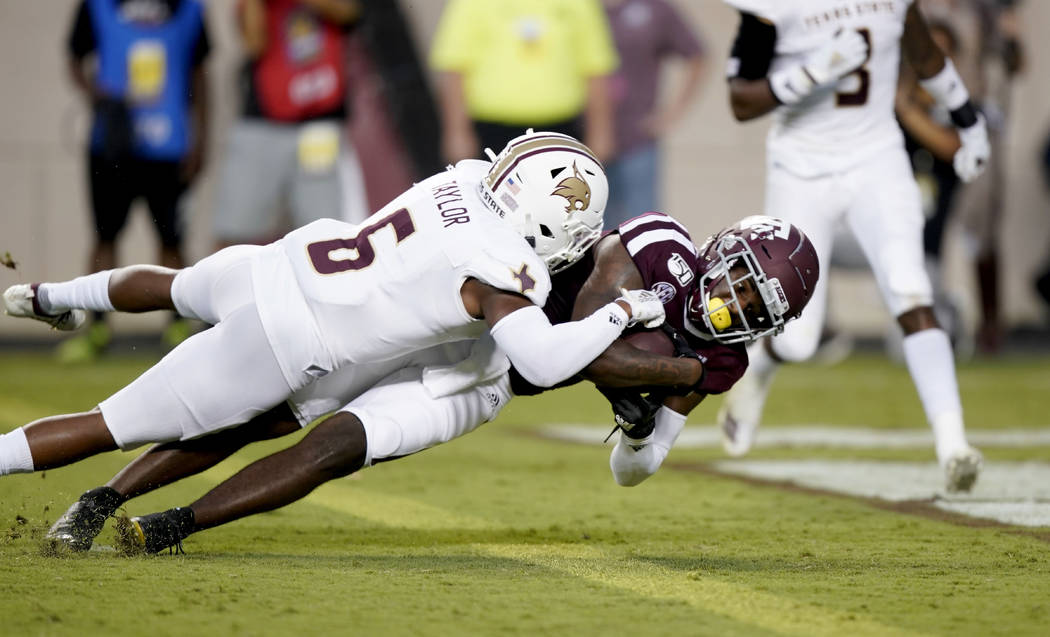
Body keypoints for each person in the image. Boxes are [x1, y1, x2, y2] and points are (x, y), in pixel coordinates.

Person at [39, 214, 820, 554]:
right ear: (723, 250)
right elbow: (579, 324)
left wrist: (646, 424)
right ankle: (101, 496)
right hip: (470, 319)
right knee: (262, 409)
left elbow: (633, 467)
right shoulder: (662, 247)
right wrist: (662, 372)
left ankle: (175, 525)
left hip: (485, 380)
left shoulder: (724, 362)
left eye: (757, 305)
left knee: (340, 446)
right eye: (742, 281)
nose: (736, 303)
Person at [0, 131, 671, 487]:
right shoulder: (507, 271)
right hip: (289, 337)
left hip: (282, 260)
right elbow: (543, 359)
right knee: (107, 424)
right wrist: (623, 311)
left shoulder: (466, 175)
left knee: (176, 284)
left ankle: (51, 297)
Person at [717, 0, 990, 493]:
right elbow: (740, 103)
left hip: (877, 160)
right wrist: (813, 72)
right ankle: (758, 369)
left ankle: (954, 445)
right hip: (800, 167)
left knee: (912, 291)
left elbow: (924, 54)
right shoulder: (772, 8)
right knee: (798, 339)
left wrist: (968, 122)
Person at [64, 0, 211, 361]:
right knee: (105, 237)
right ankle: (95, 329)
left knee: (171, 240)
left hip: (169, 144)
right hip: (113, 143)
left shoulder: (189, 8)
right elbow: (74, 56)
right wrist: (98, 95)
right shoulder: (98, 5)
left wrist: (200, 137)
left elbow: (199, 74)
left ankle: (178, 326)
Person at [212, 0, 369, 250]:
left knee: (326, 235)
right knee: (233, 231)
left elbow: (349, 12)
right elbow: (253, 43)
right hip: (264, 124)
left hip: (320, 126)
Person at [429, 0, 618, 165]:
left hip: (561, 132)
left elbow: (595, 68)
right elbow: (454, 69)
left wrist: (601, 133)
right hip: (492, 133)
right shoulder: (473, 2)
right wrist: (456, 132)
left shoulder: (578, 3)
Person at [601, 0, 709, 228]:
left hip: (637, 139)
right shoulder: (574, 7)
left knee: (643, 229)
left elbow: (697, 55)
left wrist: (670, 115)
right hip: (586, 138)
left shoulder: (654, 9)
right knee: (593, 230)